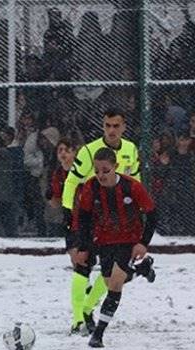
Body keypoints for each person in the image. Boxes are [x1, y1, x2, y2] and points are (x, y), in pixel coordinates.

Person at [62, 109, 153, 336]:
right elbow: (71, 181)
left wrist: (138, 218)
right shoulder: (89, 151)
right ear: (103, 127)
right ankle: (77, 320)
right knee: (82, 264)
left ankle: (88, 308)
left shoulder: (131, 150)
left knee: (111, 271)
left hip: (117, 224)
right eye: (107, 126)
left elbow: (136, 184)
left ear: (123, 127)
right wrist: (67, 213)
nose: (111, 130)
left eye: (116, 126)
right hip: (89, 218)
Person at [72, 148, 158, 348]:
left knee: (116, 283)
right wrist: (83, 247)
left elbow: (152, 214)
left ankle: (98, 334)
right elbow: (84, 218)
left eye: (105, 170)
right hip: (104, 241)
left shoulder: (132, 187)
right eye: (97, 171)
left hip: (128, 240)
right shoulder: (91, 188)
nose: (101, 175)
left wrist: (142, 242)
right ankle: (141, 270)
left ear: (116, 167)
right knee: (111, 280)